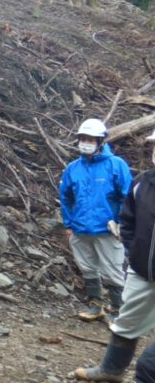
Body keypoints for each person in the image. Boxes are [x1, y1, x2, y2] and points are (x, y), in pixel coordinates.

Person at [74, 129, 155, 383]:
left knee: (154, 368)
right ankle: (111, 369)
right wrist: (134, 253)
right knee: (126, 322)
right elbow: (129, 219)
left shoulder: (120, 170)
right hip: (143, 272)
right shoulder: (143, 183)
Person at [59, 117, 132, 321]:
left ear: (101, 141)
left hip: (107, 230)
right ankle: (95, 306)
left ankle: (118, 312)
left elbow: (127, 196)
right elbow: (65, 197)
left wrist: (121, 222)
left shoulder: (116, 165)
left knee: (113, 271)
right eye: (83, 138)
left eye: (91, 139)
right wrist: (68, 224)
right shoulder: (73, 168)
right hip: (80, 229)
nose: (86, 143)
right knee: (88, 268)